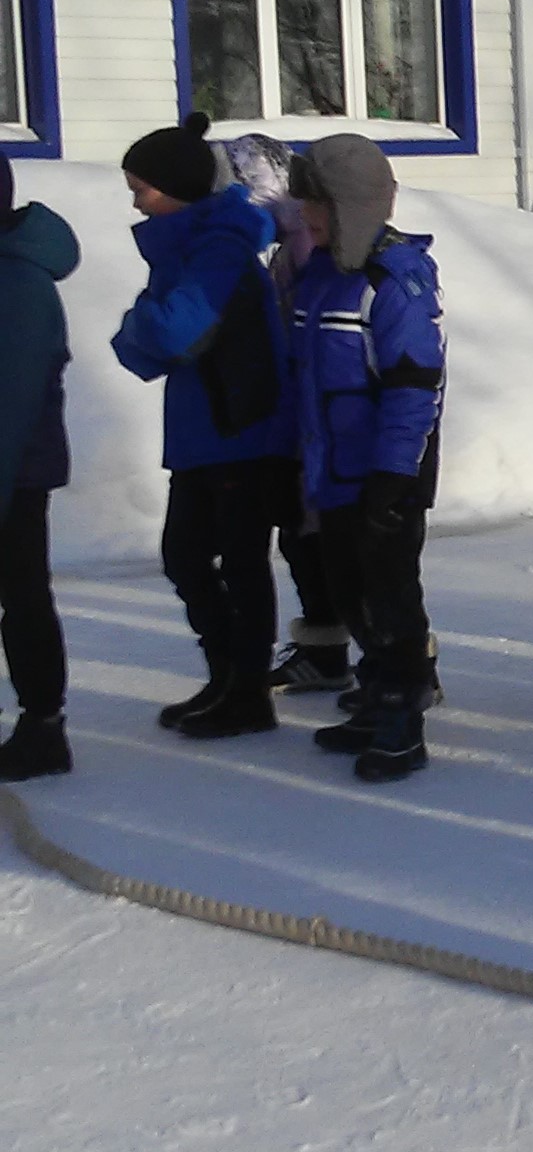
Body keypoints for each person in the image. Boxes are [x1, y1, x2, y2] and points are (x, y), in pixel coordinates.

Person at [112, 109, 293, 740]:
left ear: (176, 188)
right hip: (206, 430)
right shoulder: (191, 246)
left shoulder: (218, 248)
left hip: (240, 430)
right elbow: (147, 345)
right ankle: (228, 678)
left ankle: (247, 693)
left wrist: (146, 319)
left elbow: (168, 332)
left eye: (141, 188)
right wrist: (151, 323)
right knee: (186, 557)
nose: (135, 201)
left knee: (236, 563)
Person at [288, 136, 444, 784]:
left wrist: (392, 478)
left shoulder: (393, 282)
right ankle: (375, 695)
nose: (304, 217)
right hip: (331, 472)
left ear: (348, 206)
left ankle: (403, 717)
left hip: (384, 476)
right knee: (350, 594)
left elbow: (414, 386)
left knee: (390, 599)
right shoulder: (321, 276)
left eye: (315, 204)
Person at [218, 132, 354, 699]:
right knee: (305, 538)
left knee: (344, 548)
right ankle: (325, 649)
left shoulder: (304, 242)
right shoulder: (288, 244)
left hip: (321, 421)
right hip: (296, 416)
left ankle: (405, 664)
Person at [0, 155, 79, 781]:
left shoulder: (20, 283)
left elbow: (14, 400)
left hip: (15, 473)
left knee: (23, 594)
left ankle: (43, 728)